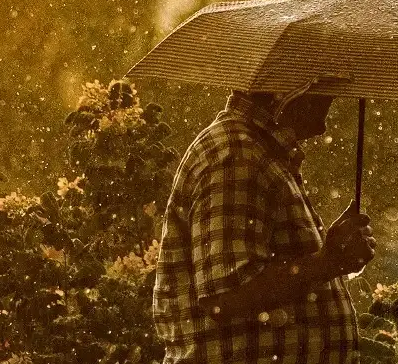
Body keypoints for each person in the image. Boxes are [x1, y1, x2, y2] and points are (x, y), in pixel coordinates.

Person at [153, 88, 376, 363]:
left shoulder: (258, 152)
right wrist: (327, 262)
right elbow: (226, 296)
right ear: (288, 88)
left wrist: (333, 259)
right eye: (323, 85)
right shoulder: (237, 156)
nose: (333, 96)